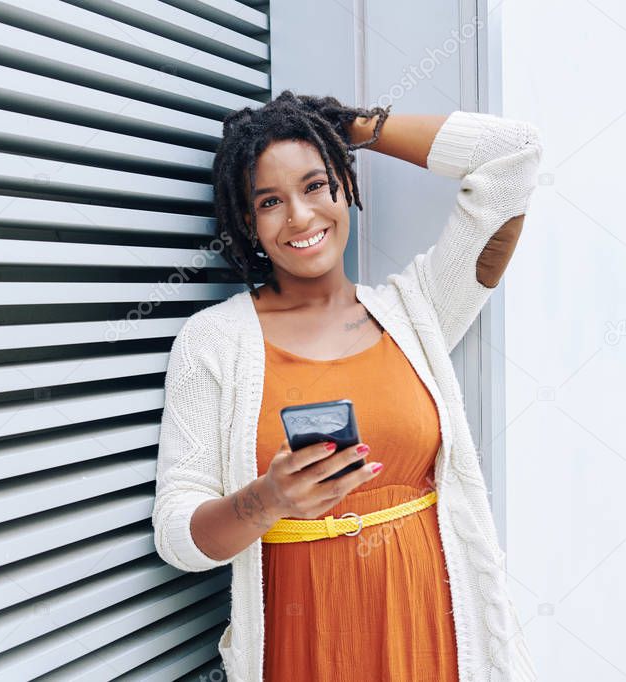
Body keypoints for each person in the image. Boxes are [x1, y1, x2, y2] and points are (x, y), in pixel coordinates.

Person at [151, 91, 543, 681]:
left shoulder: (419, 311)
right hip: (300, 644)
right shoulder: (212, 341)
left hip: (432, 634)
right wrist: (268, 500)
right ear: (247, 222)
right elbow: (177, 536)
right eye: (270, 201)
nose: (301, 217)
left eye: (315, 185)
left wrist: (350, 129)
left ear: (345, 187)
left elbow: (513, 157)